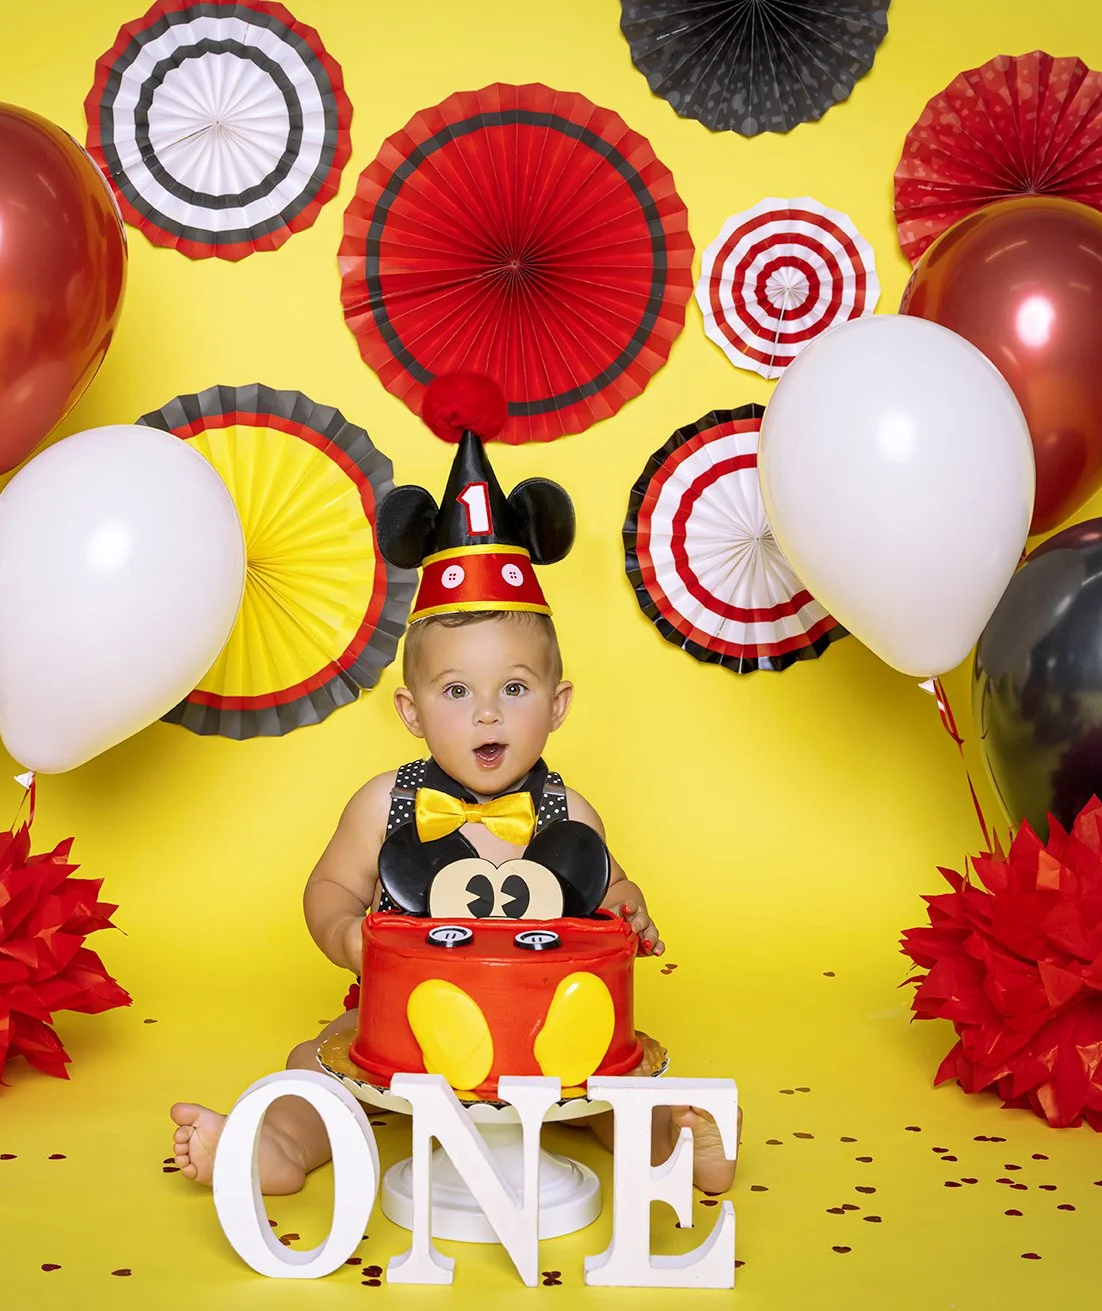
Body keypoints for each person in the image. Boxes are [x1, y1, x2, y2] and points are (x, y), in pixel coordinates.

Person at [168, 375, 739, 1197]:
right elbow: (329, 883)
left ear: (558, 704)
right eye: (456, 692)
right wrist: (345, 933)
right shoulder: (383, 802)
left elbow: (605, 885)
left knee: (615, 1088)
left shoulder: (567, 812)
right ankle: (277, 1149)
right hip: (405, 1029)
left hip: (547, 1038)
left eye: (514, 688)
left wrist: (631, 904)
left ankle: (678, 1150)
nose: (485, 715)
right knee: (319, 1065)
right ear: (410, 709)